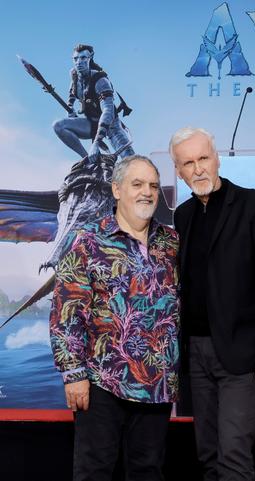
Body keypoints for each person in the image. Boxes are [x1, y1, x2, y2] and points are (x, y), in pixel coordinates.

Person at [170, 127, 255, 481]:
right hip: (196, 353)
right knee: (207, 455)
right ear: (178, 171)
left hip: (245, 355)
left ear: (217, 158)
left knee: (234, 456)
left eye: (203, 159)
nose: (198, 169)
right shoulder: (183, 216)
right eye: (188, 163)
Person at [49, 154, 180, 481]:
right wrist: (73, 372)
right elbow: (67, 309)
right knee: (94, 472)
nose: (147, 192)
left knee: (148, 472)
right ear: (117, 189)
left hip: (158, 384)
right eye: (137, 184)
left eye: (152, 185)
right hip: (101, 383)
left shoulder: (172, 243)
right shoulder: (87, 240)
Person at [52, 44, 134, 160]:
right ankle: (88, 161)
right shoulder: (75, 78)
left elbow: (108, 110)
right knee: (58, 126)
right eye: (76, 59)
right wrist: (70, 109)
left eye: (83, 58)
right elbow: (72, 93)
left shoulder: (101, 80)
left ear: (90, 58)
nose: (79, 62)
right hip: (91, 123)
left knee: (131, 161)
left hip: (111, 125)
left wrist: (96, 143)